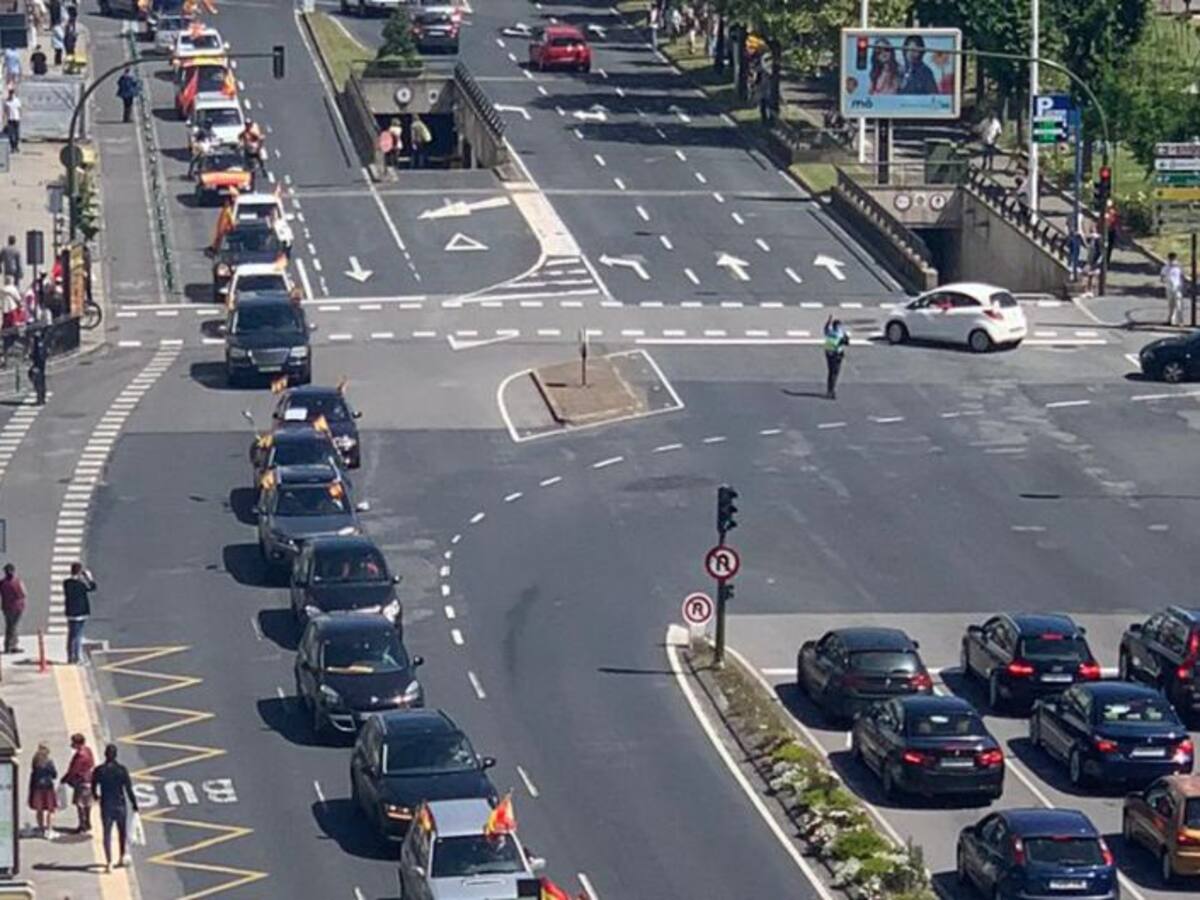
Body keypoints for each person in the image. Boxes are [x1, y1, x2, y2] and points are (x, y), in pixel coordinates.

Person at [92, 743, 138, 873]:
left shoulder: (99, 770)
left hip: (106, 804)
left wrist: (96, 796)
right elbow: (128, 789)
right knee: (121, 832)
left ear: (105, 755)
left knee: (107, 833)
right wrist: (134, 804)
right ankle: (121, 856)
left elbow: (93, 786)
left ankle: (109, 862)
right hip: (120, 804)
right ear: (116, 755)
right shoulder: (122, 770)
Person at [61, 733, 95, 834]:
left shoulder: (80, 756)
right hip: (89, 780)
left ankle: (82, 825)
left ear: (77, 744)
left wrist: (66, 778)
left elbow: (73, 770)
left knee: (80, 804)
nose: (72, 745)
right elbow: (92, 763)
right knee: (88, 803)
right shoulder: (88, 750)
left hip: (80, 782)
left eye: (73, 743)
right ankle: (88, 822)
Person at [63, 562, 96, 664]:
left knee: (71, 635)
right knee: (78, 636)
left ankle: (70, 656)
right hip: (80, 612)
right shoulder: (81, 584)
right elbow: (92, 588)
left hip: (70, 612)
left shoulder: (66, 582)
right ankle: (76, 658)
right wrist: (89, 578)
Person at [28, 744, 58, 837]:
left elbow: (33, 772)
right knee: (51, 810)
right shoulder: (49, 762)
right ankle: (49, 829)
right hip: (48, 788)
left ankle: (41, 829)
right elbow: (54, 775)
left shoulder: (35, 761)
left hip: (37, 788)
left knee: (39, 810)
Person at [0, 563, 25, 653]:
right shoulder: (17, 581)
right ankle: (10, 646)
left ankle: (11, 645)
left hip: (6, 607)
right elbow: (23, 594)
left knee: (10, 626)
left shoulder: (2, 582)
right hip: (17, 607)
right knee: (13, 626)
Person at [823, 316, 849, 400]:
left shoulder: (829, 332)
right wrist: (845, 337)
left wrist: (828, 321)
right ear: (838, 326)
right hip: (836, 355)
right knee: (835, 373)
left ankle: (829, 390)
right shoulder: (840, 334)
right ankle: (832, 391)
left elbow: (825, 329)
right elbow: (846, 342)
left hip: (828, 353)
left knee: (830, 372)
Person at [1162, 251, 1185, 326]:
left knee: (1178, 305)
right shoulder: (1166, 267)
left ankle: (1180, 321)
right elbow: (1162, 276)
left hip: (1177, 287)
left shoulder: (1179, 267)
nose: (1172, 260)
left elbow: (1182, 276)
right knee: (1171, 305)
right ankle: (1171, 320)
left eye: (1173, 259)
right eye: (1171, 259)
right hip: (1170, 287)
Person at [28, 326, 47, 406]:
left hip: (38, 365)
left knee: (38, 381)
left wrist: (36, 365)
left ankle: (40, 399)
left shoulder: (38, 343)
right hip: (39, 364)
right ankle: (41, 398)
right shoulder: (41, 342)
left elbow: (39, 355)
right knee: (40, 380)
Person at [3, 89, 20, 154]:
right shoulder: (7, 102)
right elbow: (5, 111)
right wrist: (4, 119)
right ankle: (12, 147)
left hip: (17, 119)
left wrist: (20, 116)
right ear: (9, 94)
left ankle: (16, 146)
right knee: (10, 134)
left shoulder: (17, 100)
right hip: (10, 119)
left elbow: (19, 109)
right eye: (10, 94)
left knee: (17, 134)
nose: (11, 95)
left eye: (12, 94)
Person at [1104, 199, 1120, 266]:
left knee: (1109, 247)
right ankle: (1103, 260)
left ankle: (1106, 261)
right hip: (1103, 231)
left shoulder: (1113, 213)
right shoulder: (1103, 212)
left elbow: (1116, 222)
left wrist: (1118, 231)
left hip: (1111, 231)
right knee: (1102, 246)